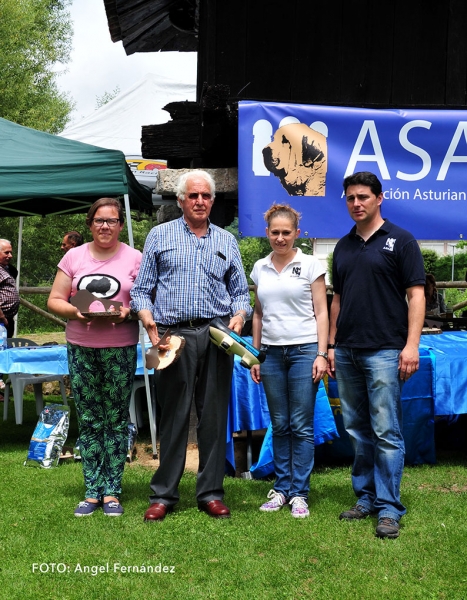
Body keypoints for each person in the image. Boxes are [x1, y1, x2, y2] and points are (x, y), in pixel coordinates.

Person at [130, 169, 251, 522]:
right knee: (173, 416)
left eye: (206, 196)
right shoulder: (159, 235)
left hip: (216, 334)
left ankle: (211, 493)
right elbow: (141, 290)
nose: (200, 201)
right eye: (193, 195)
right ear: (181, 200)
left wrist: (240, 316)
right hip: (170, 335)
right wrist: (147, 318)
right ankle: (163, 494)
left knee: (213, 417)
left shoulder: (227, 241)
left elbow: (241, 293)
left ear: (213, 201)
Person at [327, 171, 426, 539]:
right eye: (351, 198)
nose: (356, 203)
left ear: (379, 198)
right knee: (357, 429)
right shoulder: (343, 245)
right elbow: (337, 300)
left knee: (386, 431)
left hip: (386, 349)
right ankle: (366, 497)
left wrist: (411, 345)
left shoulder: (401, 240)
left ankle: (388, 508)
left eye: (363, 197)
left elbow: (417, 295)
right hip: (348, 351)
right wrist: (333, 347)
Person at [48, 198, 141, 518]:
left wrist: (128, 314)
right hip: (81, 347)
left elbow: (144, 302)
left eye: (112, 221)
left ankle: (112, 491)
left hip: (120, 348)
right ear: (90, 224)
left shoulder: (134, 257)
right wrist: (78, 310)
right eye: (99, 220)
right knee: (89, 419)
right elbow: (54, 300)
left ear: (119, 224)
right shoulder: (74, 256)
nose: (105, 226)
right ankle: (92, 491)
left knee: (115, 419)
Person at [250, 204, 329, 518]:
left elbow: (322, 312)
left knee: (301, 426)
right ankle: (281, 489)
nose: (280, 238)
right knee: (280, 425)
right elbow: (258, 314)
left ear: (297, 233)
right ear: (267, 233)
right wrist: (255, 355)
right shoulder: (259, 267)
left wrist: (322, 353)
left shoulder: (311, 264)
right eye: (275, 232)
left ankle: (300, 493)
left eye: (286, 232)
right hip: (270, 354)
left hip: (304, 351)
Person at [0, 239, 19, 338]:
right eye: (6, 253)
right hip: (1, 318)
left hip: (8, 318)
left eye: (11, 252)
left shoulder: (9, 269)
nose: (10, 256)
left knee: (6, 348)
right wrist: (1, 316)